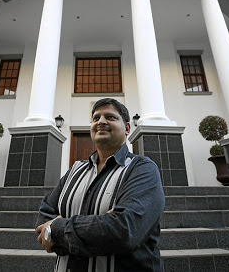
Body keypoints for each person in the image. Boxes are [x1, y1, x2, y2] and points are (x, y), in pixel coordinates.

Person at [35, 98, 165, 272]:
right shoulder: (75, 170)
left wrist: (57, 229)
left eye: (110, 117)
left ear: (127, 128)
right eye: (96, 118)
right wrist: (100, 225)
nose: (101, 122)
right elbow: (44, 216)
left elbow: (124, 231)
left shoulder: (142, 169)